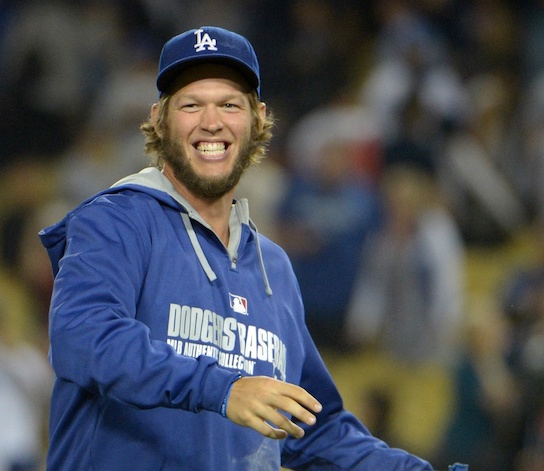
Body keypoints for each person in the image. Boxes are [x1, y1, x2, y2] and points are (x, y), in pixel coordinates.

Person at [39, 26, 441, 470]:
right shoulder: (117, 221)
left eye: (229, 105)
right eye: (191, 104)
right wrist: (222, 390)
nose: (212, 122)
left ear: (257, 119)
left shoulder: (273, 266)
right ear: (158, 119)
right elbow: (84, 336)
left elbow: (315, 426)